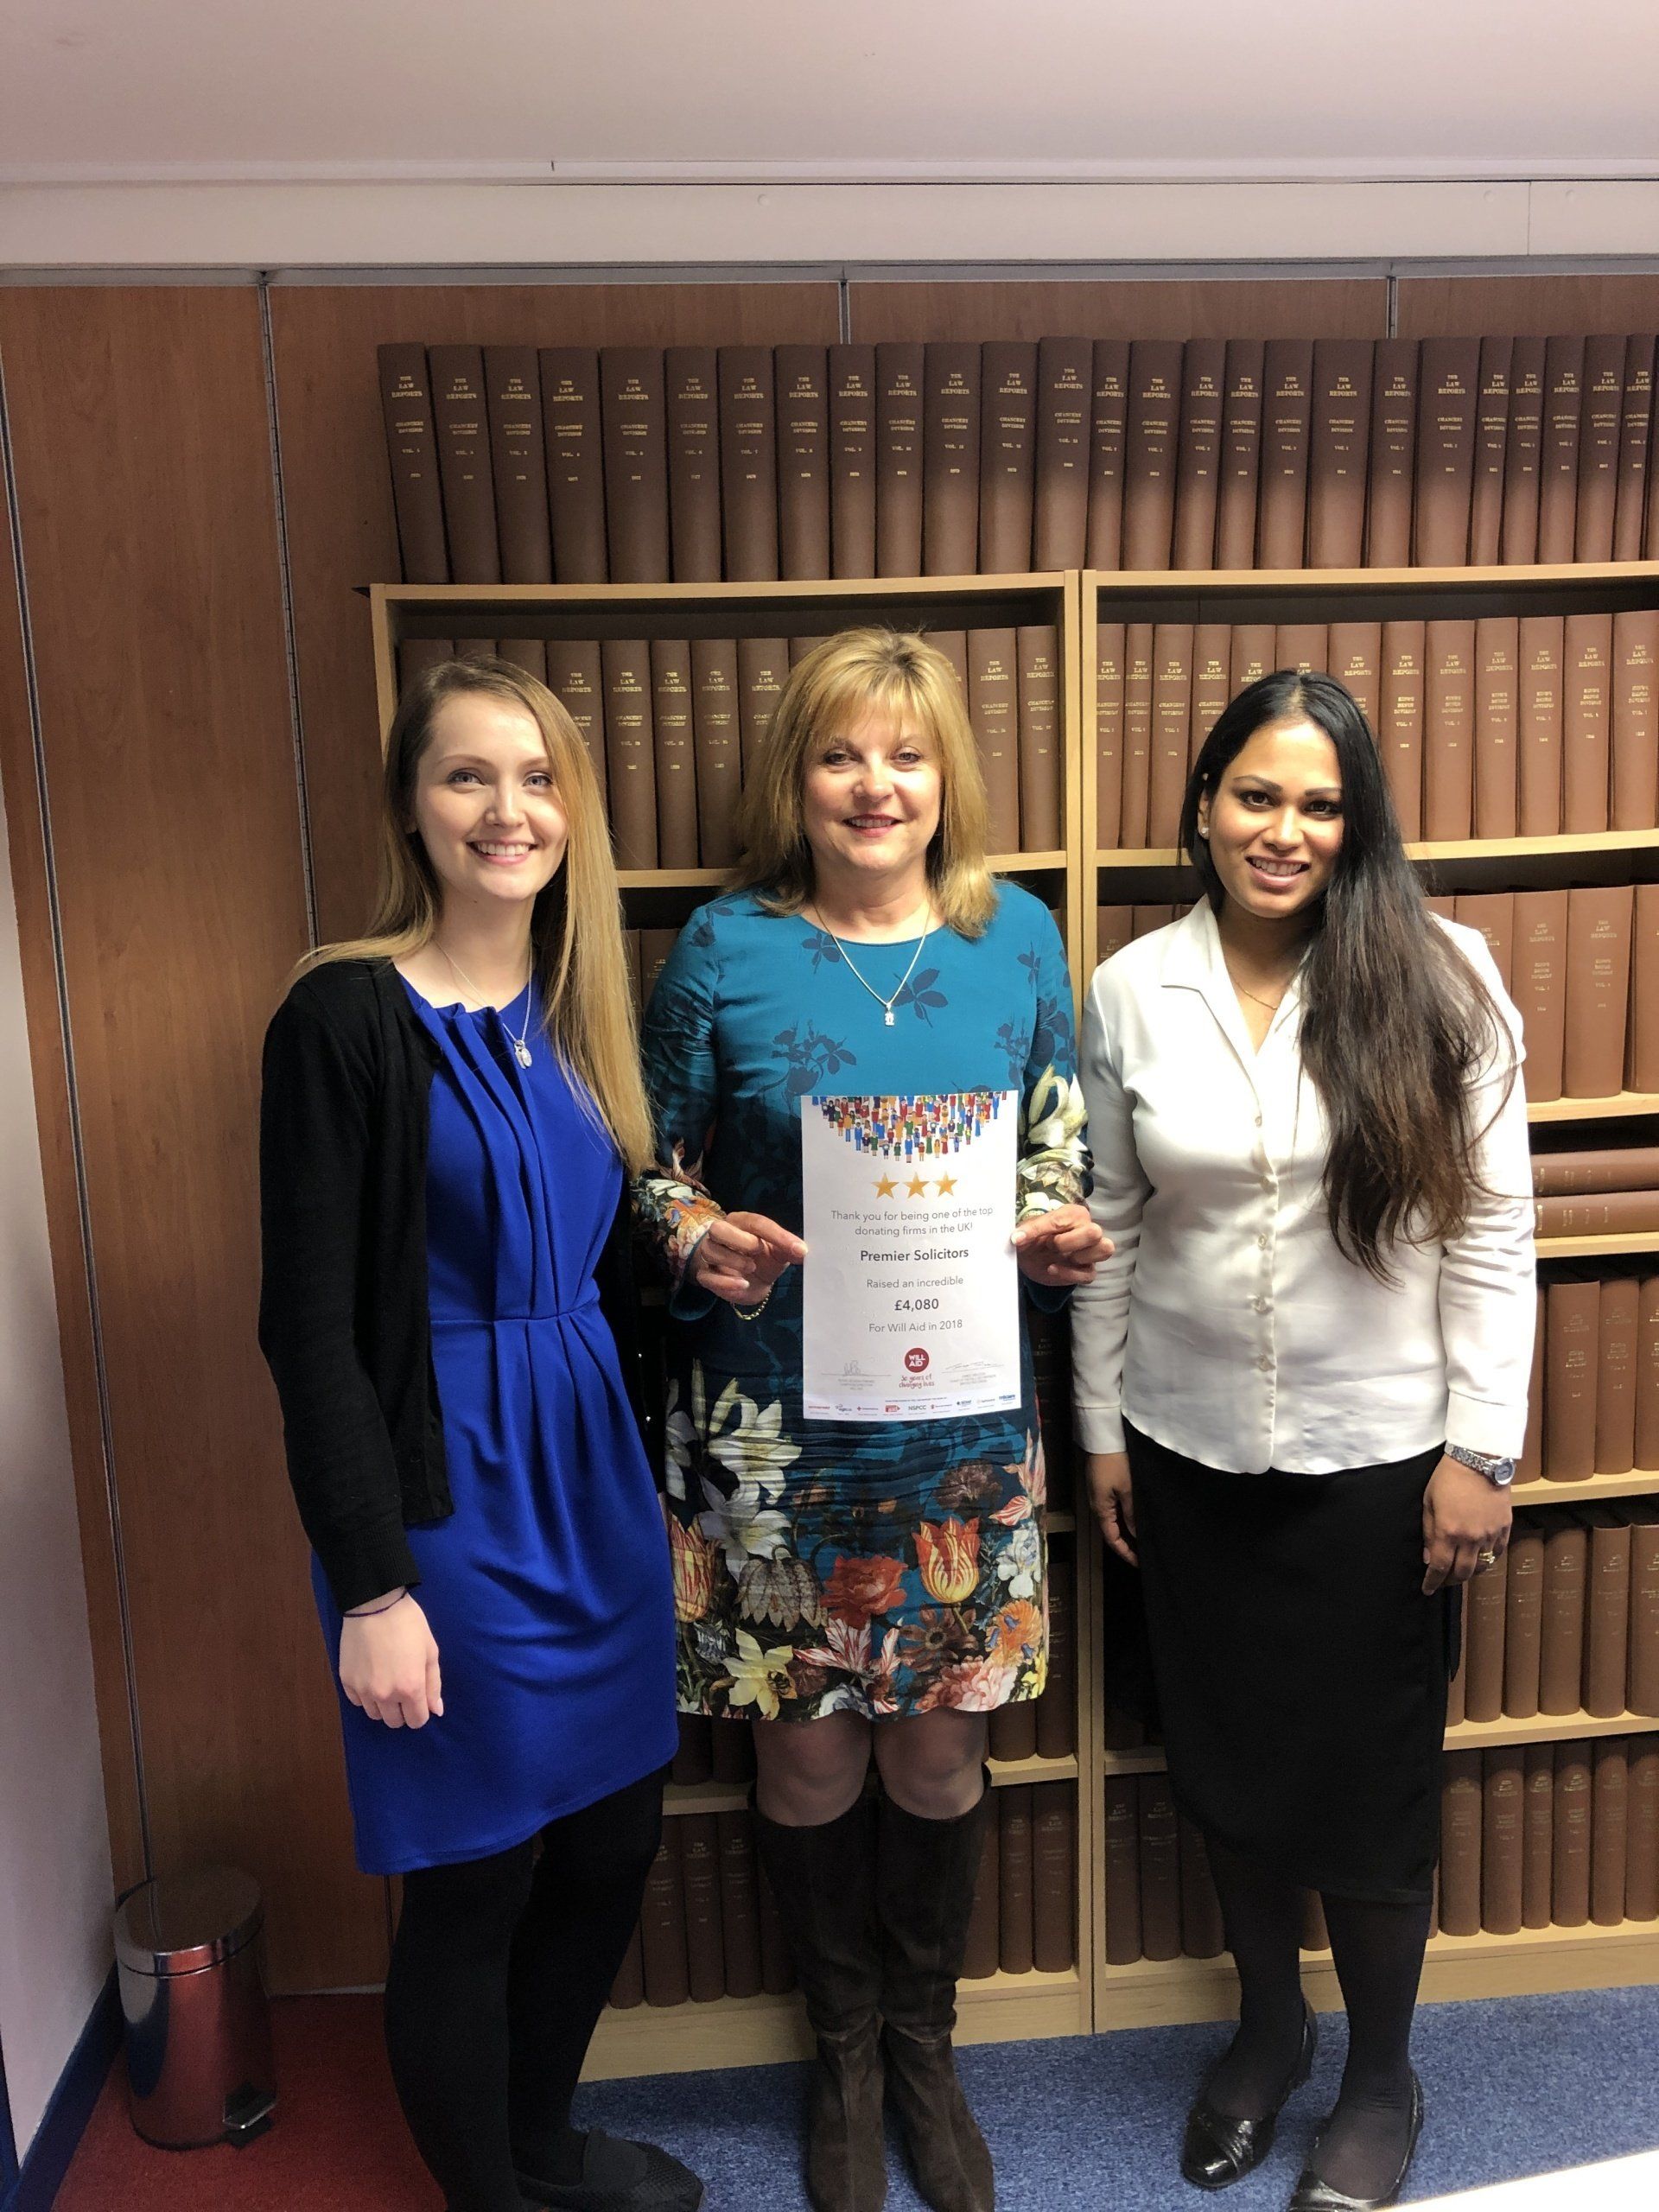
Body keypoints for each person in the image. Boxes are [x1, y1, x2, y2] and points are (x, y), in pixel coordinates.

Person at [636, 627, 1106, 2212]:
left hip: (957, 1448)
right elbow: (650, 1172)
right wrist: (693, 1234)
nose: (874, 784)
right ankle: (839, 2047)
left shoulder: (1017, 939)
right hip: (772, 1454)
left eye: (906, 754)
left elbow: (1058, 1153)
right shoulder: (722, 949)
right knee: (808, 1775)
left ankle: (925, 2043)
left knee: (935, 1761)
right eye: (843, 753)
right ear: (801, 776)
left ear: (943, 777)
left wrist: (1059, 1226)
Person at [1073, 670, 1533, 2212]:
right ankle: (1269, 2028)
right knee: (1229, 1762)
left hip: (1379, 1463)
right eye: (1256, 796)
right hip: (1188, 1450)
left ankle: (1383, 2076)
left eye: (1319, 803)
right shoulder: (1135, 987)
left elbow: (1492, 1235)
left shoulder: (1445, 975)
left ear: (1357, 823)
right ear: (1204, 806)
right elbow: (1116, 1229)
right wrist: (1101, 1432)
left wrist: (1485, 1449)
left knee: (1370, 1784)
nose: (1284, 830)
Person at [257, 658, 701, 2212]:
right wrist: (372, 1589)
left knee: (608, 1846)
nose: (507, 809)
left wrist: (692, 1252)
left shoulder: (582, 1013)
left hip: (592, 1482)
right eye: (468, 776)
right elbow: (309, 1332)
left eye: (537, 778)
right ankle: (490, 2200)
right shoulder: (344, 1016)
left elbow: (583, 1243)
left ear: (572, 813)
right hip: (443, 1501)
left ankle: (537, 2142)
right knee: (477, 1876)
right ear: (411, 807)